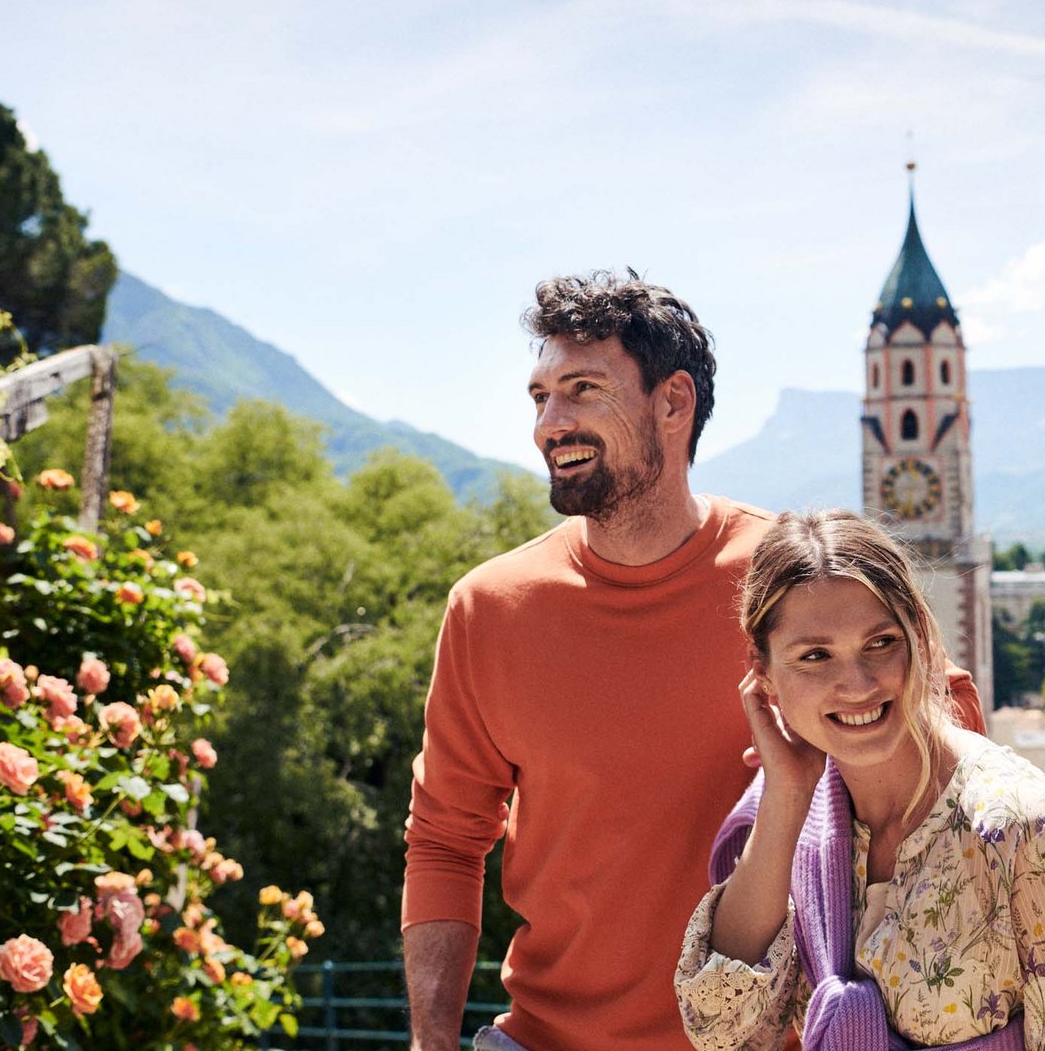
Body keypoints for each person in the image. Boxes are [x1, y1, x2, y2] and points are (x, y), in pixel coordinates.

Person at [402, 272, 982, 1051]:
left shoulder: (796, 578)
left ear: (673, 403)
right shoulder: (489, 608)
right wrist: (431, 1040)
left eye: (581, 389)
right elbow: (444, 839)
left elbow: (956, 738)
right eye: (540, 396)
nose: (551, 422)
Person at [674, 510, 1045, 1051]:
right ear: (765, 677)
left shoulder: (1020, 827)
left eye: (880, 643)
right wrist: (787, 792)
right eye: (814, 656)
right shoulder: (800, 821)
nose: (856, 683)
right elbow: (721, 1027)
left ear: (921, 639)